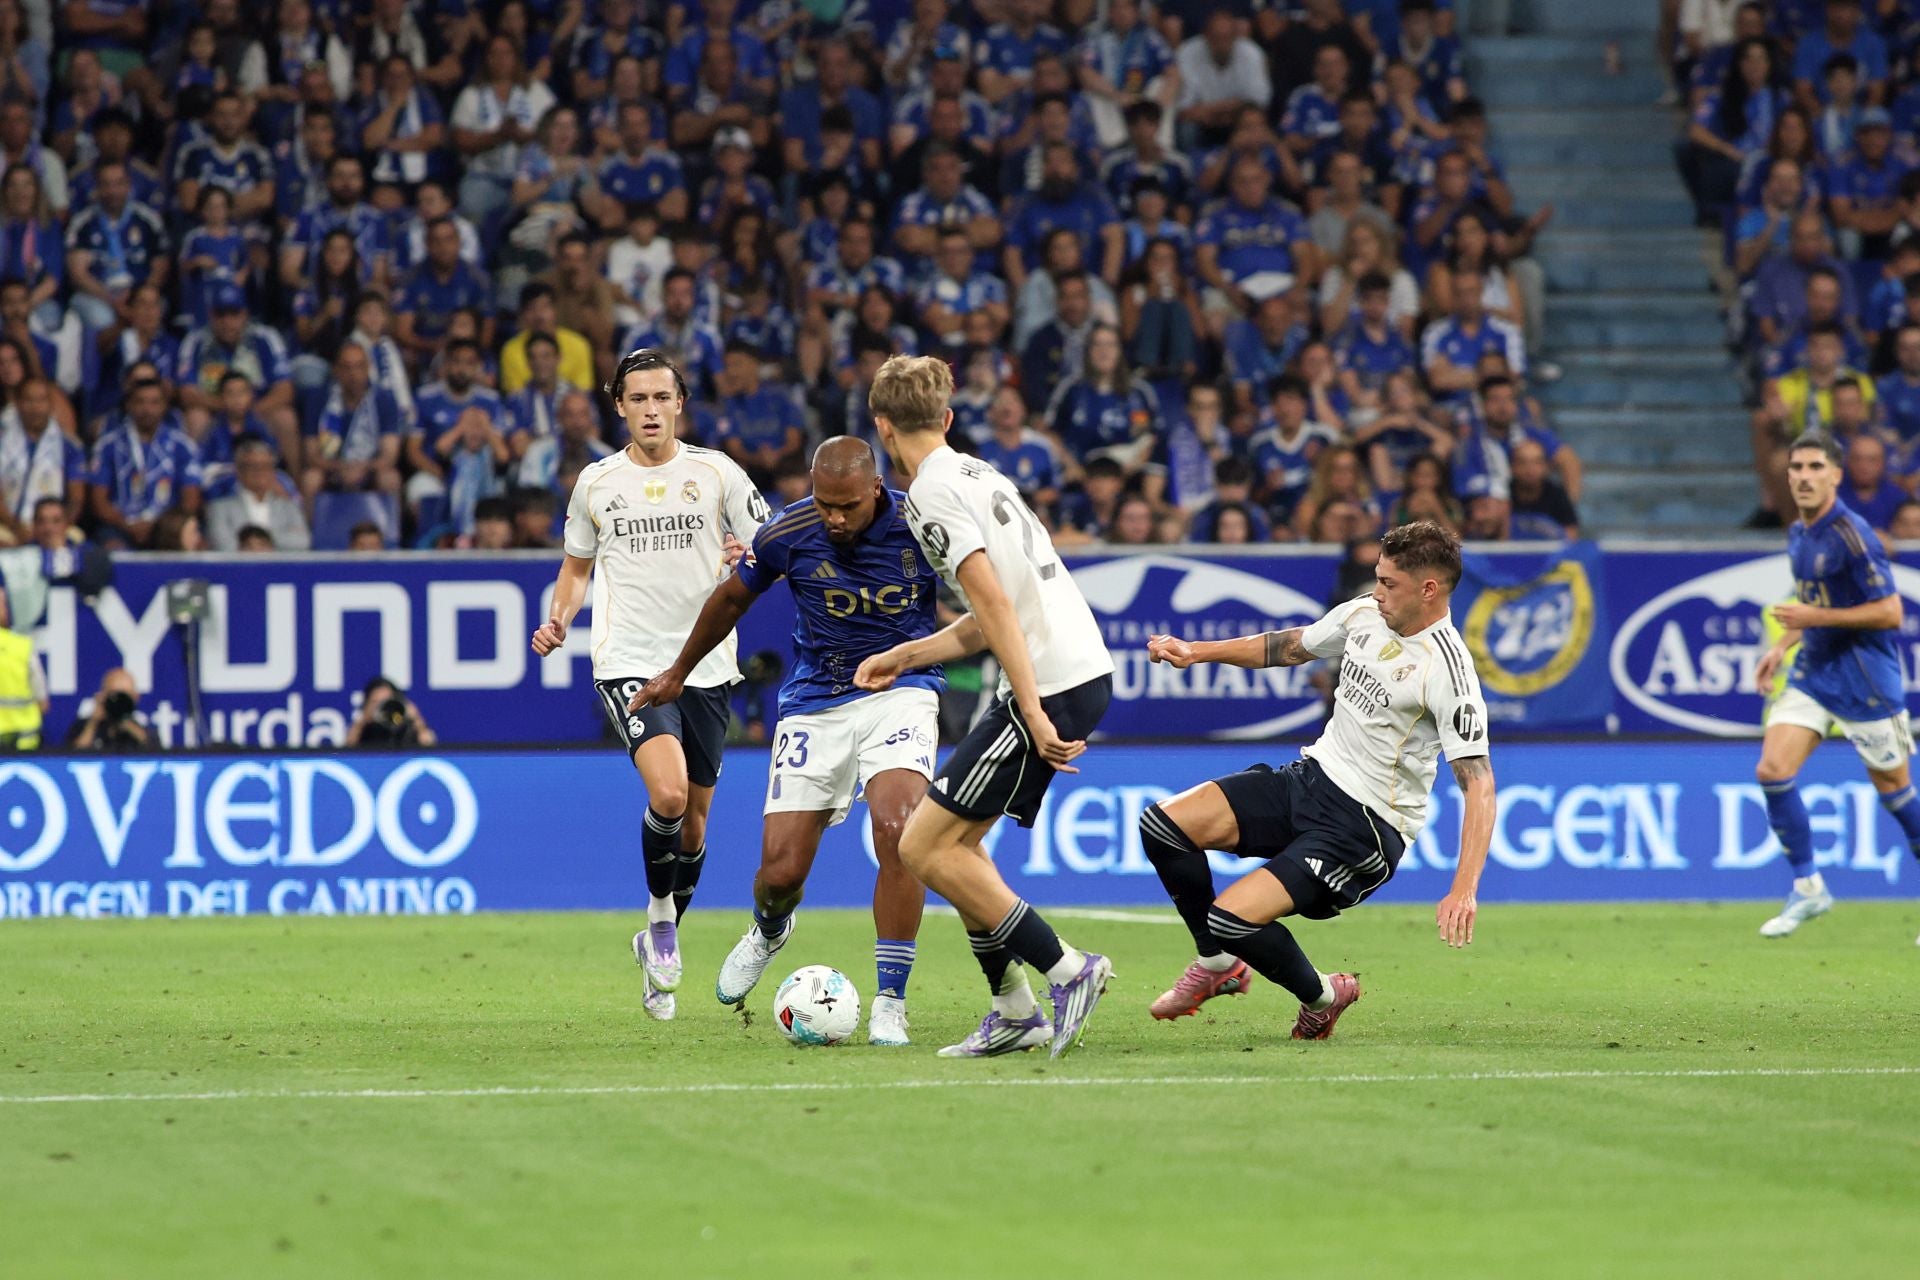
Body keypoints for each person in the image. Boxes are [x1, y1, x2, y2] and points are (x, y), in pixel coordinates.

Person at [632, 438, 942, 1045]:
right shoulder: (789, 532)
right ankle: (771, 929)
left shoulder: (922, 525)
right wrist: (676, 673)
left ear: (875, 489)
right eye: (825, 504)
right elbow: (728, 601)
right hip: (815, 704)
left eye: (848, 506)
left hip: (902, 690)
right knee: (780, 871)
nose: (836, 518)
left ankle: (890, 1001)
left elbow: (985, 589)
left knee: (900, 832)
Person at [1136, 521, 1493, 1038]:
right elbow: (1288, 647)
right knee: (1163, 825)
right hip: (1309, 778)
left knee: (1231, 919)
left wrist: (1464, 889)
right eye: (1378, 577)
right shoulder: (1364, 615)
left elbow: (1478, 783)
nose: (1377, 592)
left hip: (1364, 826)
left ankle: (1323, 997)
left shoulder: (1449, 671)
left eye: (1389, 583)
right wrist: (1196, 651)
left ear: (1429, 590)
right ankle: (1217, 966)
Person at [855, 354, 1115, 1059]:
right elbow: (988, 614)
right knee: (957, 849)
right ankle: (1013, 1010)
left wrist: (1030, 710)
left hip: (1050, 681)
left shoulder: (930, 495)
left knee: (920, 846)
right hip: (1072, 668)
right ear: (946, 418)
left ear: (881, 427)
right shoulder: (979, 473)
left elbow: (995, 605)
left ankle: (1069, 970)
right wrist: (905, 655)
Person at [530, 349, 768, 1021]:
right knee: (666, 794)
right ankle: (661, 918)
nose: (651, 410)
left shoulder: (716, 473)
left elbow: (772, 544)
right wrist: (559, 618)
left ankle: (655, 939)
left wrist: (743, 552)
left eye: (662, 397)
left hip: (707, 667)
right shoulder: (597, 483)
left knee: (693, 832)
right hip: (630, 661)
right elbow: (576, 567)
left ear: (680, 403)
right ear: (620, 407)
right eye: (638, 399)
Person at [1751, 432, 1920, 941]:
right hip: (1814, 673)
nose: (1803, 475)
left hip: (1865, 682)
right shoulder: (1799, 532)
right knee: (1772, 770)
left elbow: (1890, 612)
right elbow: (1813, 604)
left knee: (1895, 791)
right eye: (1796, 467)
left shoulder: (1854, 534)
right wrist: (1782, 646)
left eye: (1814, 467)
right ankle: (1808, 887)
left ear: (1835, 475)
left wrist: (1813, 616)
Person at [66, 667, 150, 751]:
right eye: (114, 696)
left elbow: (156, 753)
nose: (119, 702)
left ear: (135, 698)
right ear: (102, 696)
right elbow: (72, 756)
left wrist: (128, 724)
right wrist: (93, 722)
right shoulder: (83, 725)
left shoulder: (143, 725)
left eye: (124, 697)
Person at [347, 674, 437, 747]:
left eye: (386, 701)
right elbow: (347, 750)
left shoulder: (405, 727)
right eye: (375, 702)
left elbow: (428, 745)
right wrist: (362, 721)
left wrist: (416, 719)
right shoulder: (365, 729)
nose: (381, 706)